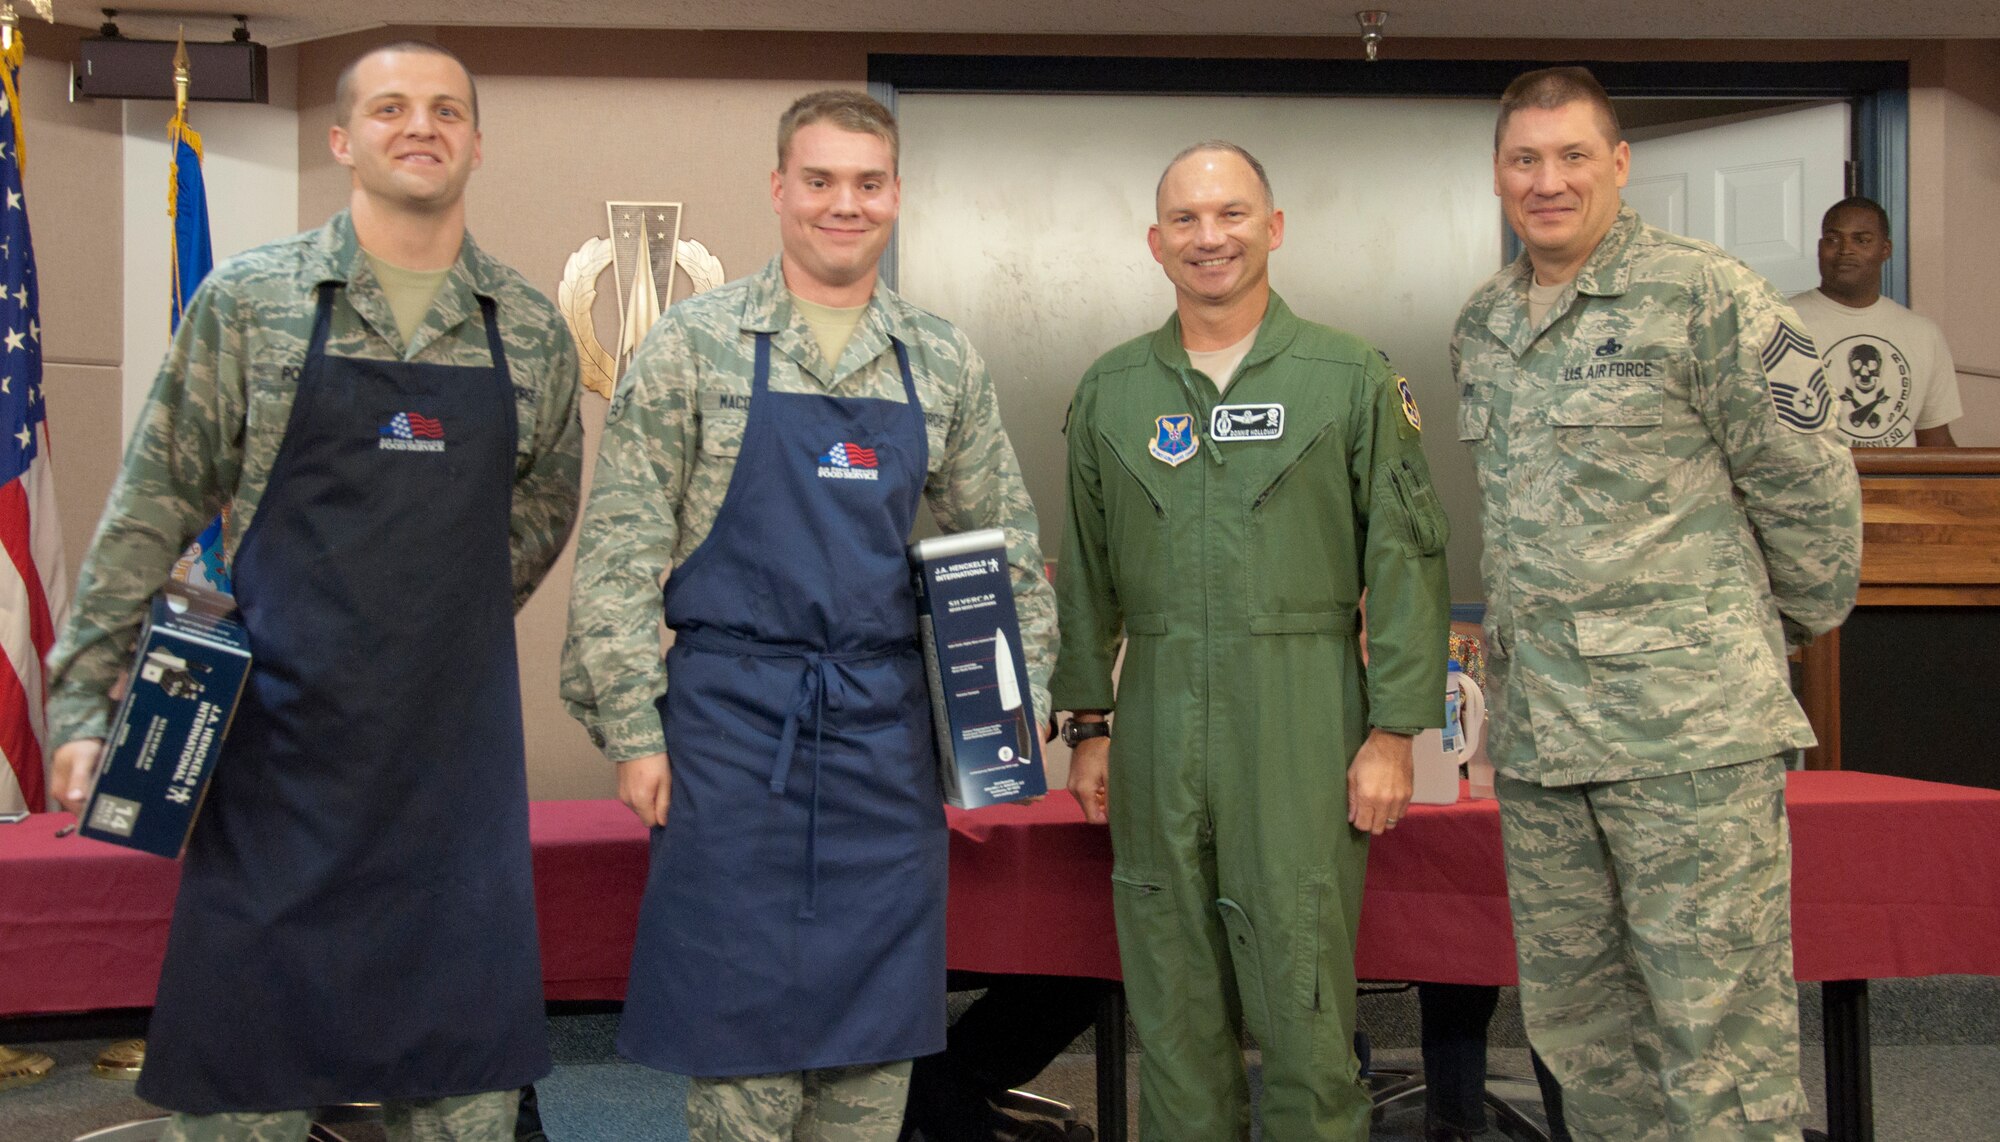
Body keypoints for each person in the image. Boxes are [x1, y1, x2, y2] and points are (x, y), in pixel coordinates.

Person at [43, 41, 581, 1142]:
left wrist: (425, 627)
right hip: (273, 768)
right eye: (389, 108)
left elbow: (534, 519)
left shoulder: (525, 328)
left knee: (466, 1098)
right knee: (248, 1100)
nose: (419, 125)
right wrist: (81, 699)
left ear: (476, 141)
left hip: (452, 784)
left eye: (445, 109)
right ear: (342, 139)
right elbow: (150, 501)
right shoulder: (253, 300)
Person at [561, 90, 1055, 1141]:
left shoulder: (940, 358)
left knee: (869, 1057)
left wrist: (1004, 724)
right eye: (820, 181)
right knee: (741, 1062)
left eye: (866, 183)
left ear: (894, 196)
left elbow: (1004, 552)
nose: (844, 204)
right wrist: (632, 730)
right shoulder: (693, 345)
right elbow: (614, 556)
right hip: (730, 742)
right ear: (778, 188)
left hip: (885, 741)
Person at [1451, 67, 1862, 1140]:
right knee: (1586, 1043)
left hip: (1687, 740)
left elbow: (1810, 493)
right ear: (1497, 174)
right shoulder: (1483, 323)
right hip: (1542, 744)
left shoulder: (1706, 295)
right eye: (1524, 159)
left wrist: (1734, 645)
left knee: (1717, 1047)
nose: (1547, 180)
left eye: (1572, 155)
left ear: (1618, 165)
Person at [1051, 141, 1451, 1141]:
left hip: (1301, 716)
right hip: (1155, 719)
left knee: (1302, 1001)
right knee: (1174, 1008)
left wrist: (1395, 729)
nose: (1208, 236)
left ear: (1271, 229)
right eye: (1184, 219)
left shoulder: (1346, 375)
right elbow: (1084, 570)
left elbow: (1406, 558)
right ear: (1154, 242)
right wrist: (1090, 723)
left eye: (1230, 214)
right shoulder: (1110, 390)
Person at [1788, 195, 1962, 447]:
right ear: (1819, 247)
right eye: (1832, 239)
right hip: (1810, 485)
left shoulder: (1923, 334)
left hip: (1897, 486)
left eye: (1862, 240)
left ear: (1885, 250)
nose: (1845, 249)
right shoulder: (1781, 321)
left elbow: (1935, 439)